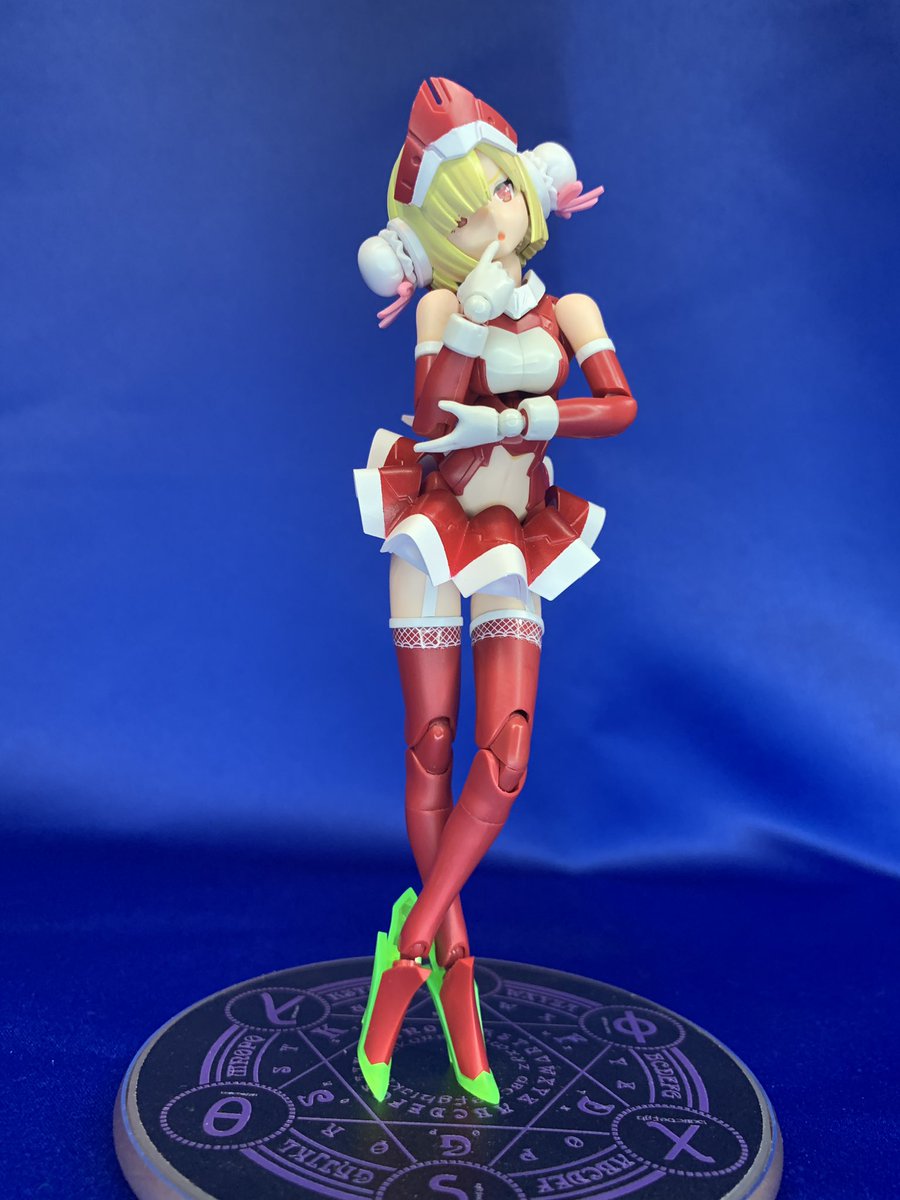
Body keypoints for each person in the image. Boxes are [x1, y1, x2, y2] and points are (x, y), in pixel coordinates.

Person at [353, 77, 637, 1104]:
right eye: (463, 215)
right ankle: (459, 984)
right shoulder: (440, 302)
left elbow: (618, 405)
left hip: (515, 534)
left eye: (501, 194)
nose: (492, 220)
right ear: (434, 238)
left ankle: (410, 950)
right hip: (436, 533)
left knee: (504, 758)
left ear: (528, 184)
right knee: (432, 749)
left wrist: (517, 423)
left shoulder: (571, 309)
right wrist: (470, 324)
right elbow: (432, 418)